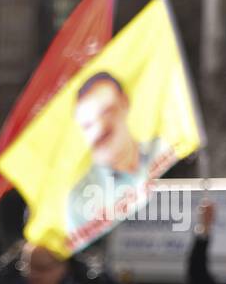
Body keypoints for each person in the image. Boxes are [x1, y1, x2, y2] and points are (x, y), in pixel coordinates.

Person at [65, 72, 175, 232]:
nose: (100, 129)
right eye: (88, 125)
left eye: (106, 112)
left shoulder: (166, 148)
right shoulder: (80, 199)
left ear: (124, 103)